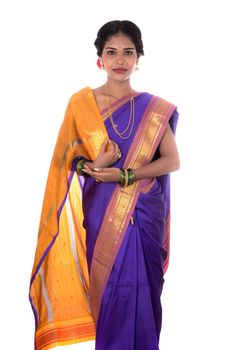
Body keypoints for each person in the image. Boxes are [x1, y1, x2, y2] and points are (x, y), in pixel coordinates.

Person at [29, 20, 180, 350]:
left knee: (146, 293)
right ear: (100, 59)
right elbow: (66, 163)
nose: (120, 60)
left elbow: (172, 160)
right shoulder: (81, 104)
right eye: (112, 53)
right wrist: (96, 166)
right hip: (101, 211)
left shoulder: (152, 108)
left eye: (128, 52)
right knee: (111, 290)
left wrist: (124, 175)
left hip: (146, 213)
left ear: (139, 58)